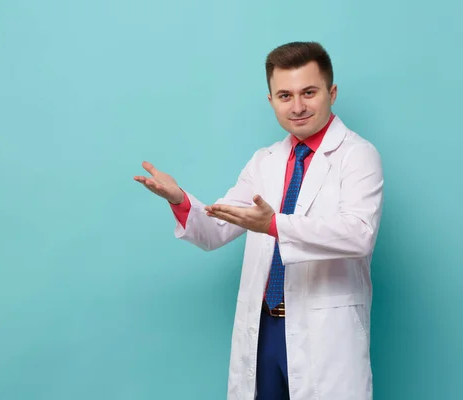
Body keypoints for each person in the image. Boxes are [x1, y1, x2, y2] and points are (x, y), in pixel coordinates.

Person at [134, 41, 384, 400]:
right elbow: (218, 228)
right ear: (271, 101)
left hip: (324, 332)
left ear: (332, 92)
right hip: (264, 328)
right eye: (285, 95)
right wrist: (181, 201)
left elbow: (359, 235)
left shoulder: (358, 156)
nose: (297, 107)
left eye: (308, 92)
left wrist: (274, 225)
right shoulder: (265, 161)